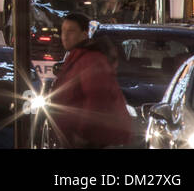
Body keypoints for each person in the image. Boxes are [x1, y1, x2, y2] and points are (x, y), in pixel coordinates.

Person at [46, 12, 132, 147]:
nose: (65, 36)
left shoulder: (90, 60)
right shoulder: (78, 57)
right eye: (63, 31)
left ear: (84, 34)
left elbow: (96, 99)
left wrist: (83, 135)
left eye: (71, 31)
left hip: (91, 140)